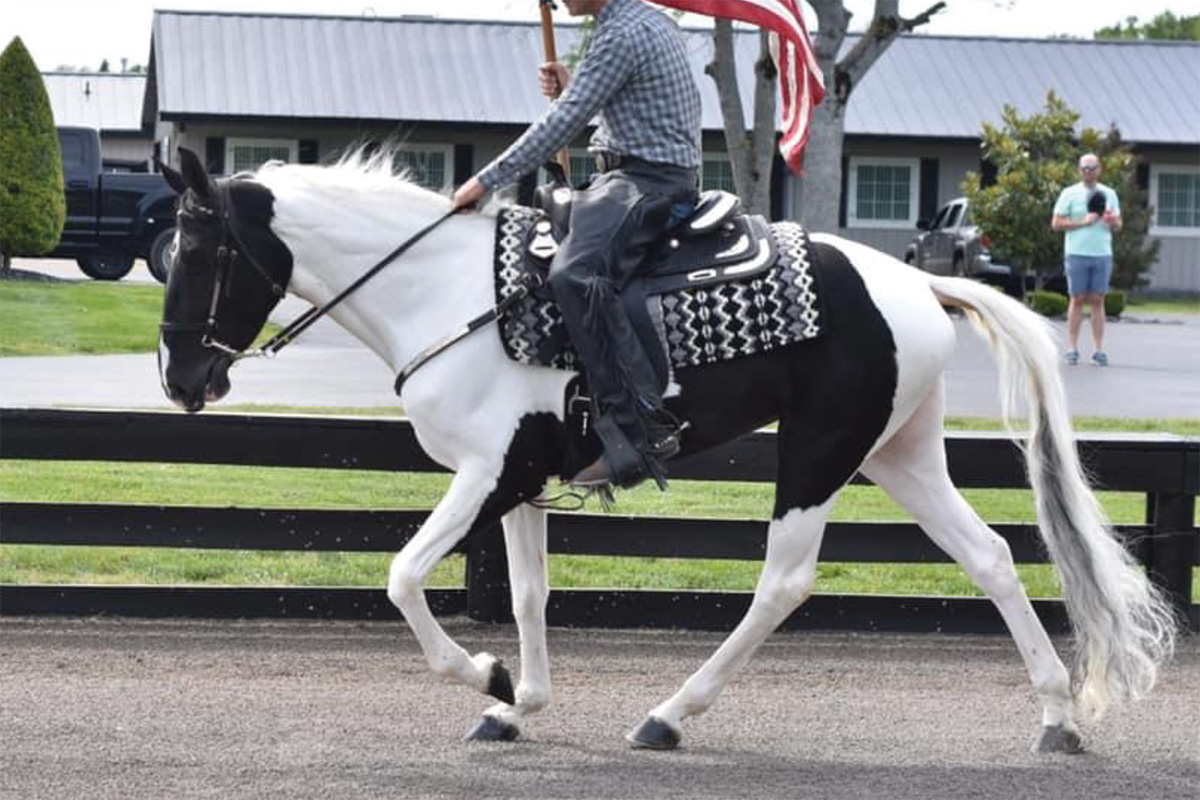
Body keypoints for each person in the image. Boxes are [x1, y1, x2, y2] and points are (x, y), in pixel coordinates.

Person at [452, 0, 702, 490]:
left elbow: (561, 123)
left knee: (576, 274)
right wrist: (577, 86)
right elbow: (632, 108)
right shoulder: (641, 21)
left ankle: (641, 427)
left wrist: (484, 182)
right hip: (635, 173)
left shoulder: (620, 34)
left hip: (647, 182)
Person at [1051, 153, 1122, 366]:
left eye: (1092, 168)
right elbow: (1056, 223)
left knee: (1098, 300)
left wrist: (1111, 220)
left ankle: (1098, 350)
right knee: (1077, 298)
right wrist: (1084, 222)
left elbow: (1119, 223)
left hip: (1102, 253)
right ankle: (1072, 349)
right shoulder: (1069, 193)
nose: (1088, 172)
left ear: (1100, 169)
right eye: (1085, 168)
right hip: (1076, 253)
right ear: (1079, 170)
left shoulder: (1109, 194)